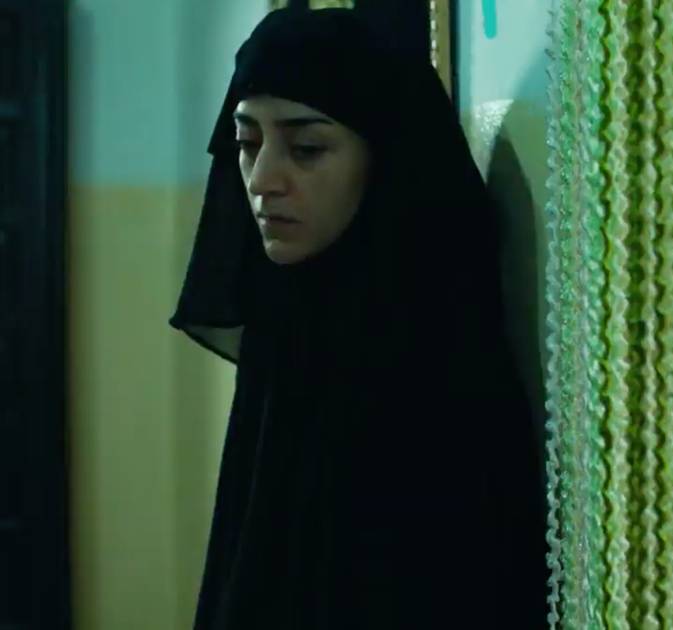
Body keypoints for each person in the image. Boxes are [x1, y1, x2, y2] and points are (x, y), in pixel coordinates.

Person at [169, 8, 547, 628]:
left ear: (387, 158)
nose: (262, 180)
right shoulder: (286, 327)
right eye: (247, 144)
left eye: (306, 148)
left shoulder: (436, 369)